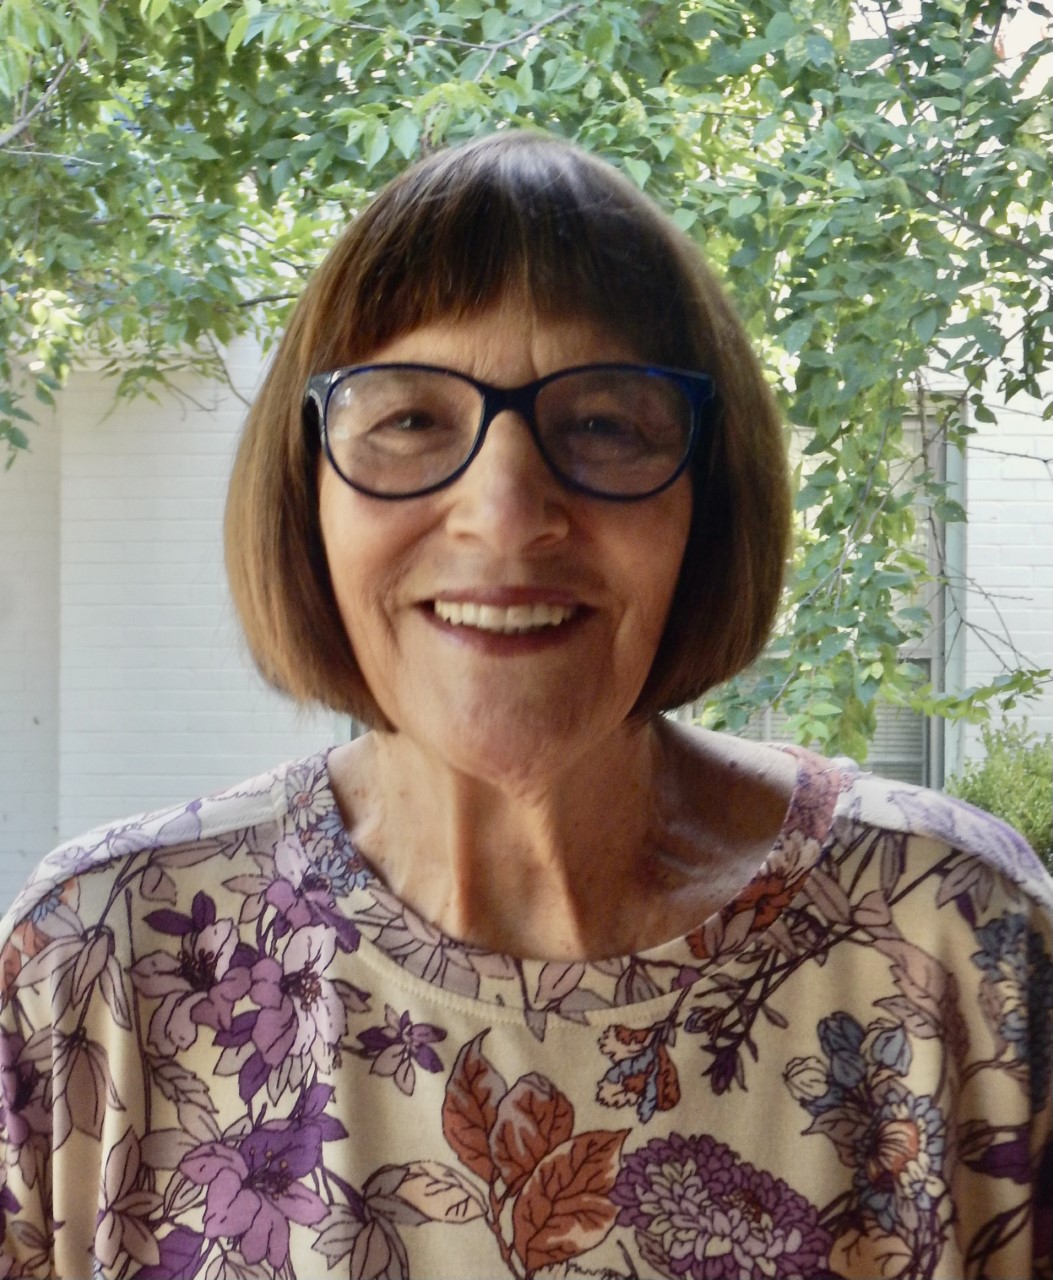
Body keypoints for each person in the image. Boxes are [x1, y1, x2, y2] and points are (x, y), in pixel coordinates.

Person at [1, 132, 1050, 1280]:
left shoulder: (959, 942)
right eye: (409, 419)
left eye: (604, 423)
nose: (503, 514)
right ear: (303, 496)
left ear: (710, 500)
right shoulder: (97, 968)